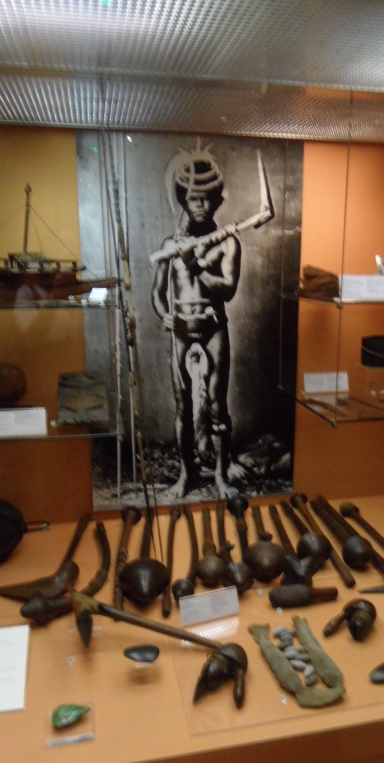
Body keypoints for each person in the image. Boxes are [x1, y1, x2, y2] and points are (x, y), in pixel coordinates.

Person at [151, 142, 241, 498]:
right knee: (183, 404)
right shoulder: (169, 245)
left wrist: (197, 266)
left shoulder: (227, 242)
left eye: (206, 198)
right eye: (193, 199)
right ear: (183, 201)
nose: (200, 205)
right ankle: (187, 475)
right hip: (181, 331)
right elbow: (158, 293)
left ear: (217, 200)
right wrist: (164, 315)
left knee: (218, 404)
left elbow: (228, 289)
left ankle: (221, 476)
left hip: (213, 326)